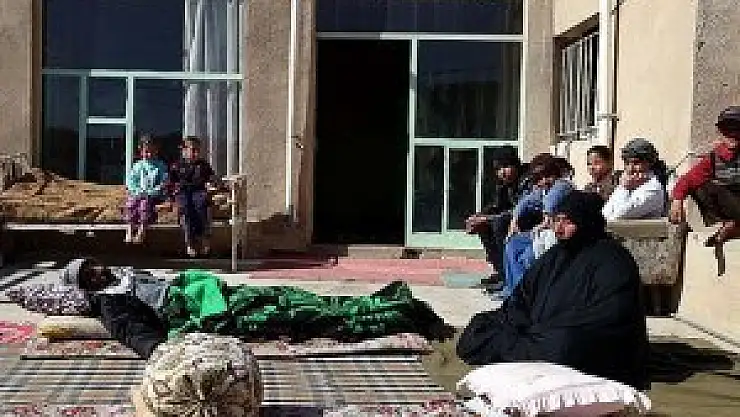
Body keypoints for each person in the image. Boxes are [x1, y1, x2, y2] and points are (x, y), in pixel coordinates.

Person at [457, 190, 649, 390]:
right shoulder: (554, 257)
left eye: (567, 222)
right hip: (539, 336)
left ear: (585, 222)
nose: (558, 229)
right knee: (480, 326)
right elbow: (521, 299)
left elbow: (611, 317)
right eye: (556, 221)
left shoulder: (614, 259)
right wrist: (520, 325)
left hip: (582, 342)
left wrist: (545, 330)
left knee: (563, 345)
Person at [501, 154, 574, 298]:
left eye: (548, 176)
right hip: (543, 233)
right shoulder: (542, 190)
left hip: (557, 234)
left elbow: (551, 201)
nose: (544, 181)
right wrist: (514, 221)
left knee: (526, 257)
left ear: (556, 174)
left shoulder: (563, 185)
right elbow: (524, 203)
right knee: (512, 243)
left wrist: (545, 220)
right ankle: (514, 291)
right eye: (539, 178)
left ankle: (525, 296)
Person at [669, 106, 740, 246]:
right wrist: (677, 200)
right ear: (719, 132)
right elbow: (688, 179)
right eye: (726, 129)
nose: (731, 134)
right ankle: (724, 225)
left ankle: (735, 228)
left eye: (737, 129)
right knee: (700, 186)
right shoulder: (714, 156)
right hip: (730, 206)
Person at [465, 146, 530, 284]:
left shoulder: (527, 181)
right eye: (498, 169)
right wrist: (479, 216)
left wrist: (488, 218)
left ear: (515, 164)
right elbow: (497, 206)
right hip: (511, 220)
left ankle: (509, 274)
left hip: (529, 221)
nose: (502, 172)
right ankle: (501, 271)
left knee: (499, 223)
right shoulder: (504, 184)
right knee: (483, 225)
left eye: (506, 167)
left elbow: (521, 209)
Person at [169, 136, 218, 257]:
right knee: (185, 207)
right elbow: (170, 182)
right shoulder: (177, 166)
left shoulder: (203, 165)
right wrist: (172, 192)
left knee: (202, 203)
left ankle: (204, 238)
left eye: (198, 150)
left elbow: (211, 178)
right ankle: (190, 242)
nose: (196, 153)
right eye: (193, 150)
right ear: (184, 151)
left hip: (198, 191)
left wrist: (211, 184)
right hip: (183, 192)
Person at [602, 138, 668, 221]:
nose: (630, 169)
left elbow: (620, 214)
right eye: (627, 163)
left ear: (649, 163)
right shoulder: (631, 183)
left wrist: (625, 188)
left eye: (636, 163)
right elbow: (605, 213)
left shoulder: (653, 188)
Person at [124, 136, 169, 244]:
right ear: (141, 151)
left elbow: (163, 182)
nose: (149, 154)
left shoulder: (160, 166)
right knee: (131, 204)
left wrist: (152, 192)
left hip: (153, 194)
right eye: (146, 152)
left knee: (144, 205)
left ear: (156, 151)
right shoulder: (138, 165)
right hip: (138, 193)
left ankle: (142, 229)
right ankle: (129, 229)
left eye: (152, 151)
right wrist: (136, 191)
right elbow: (130, 180)